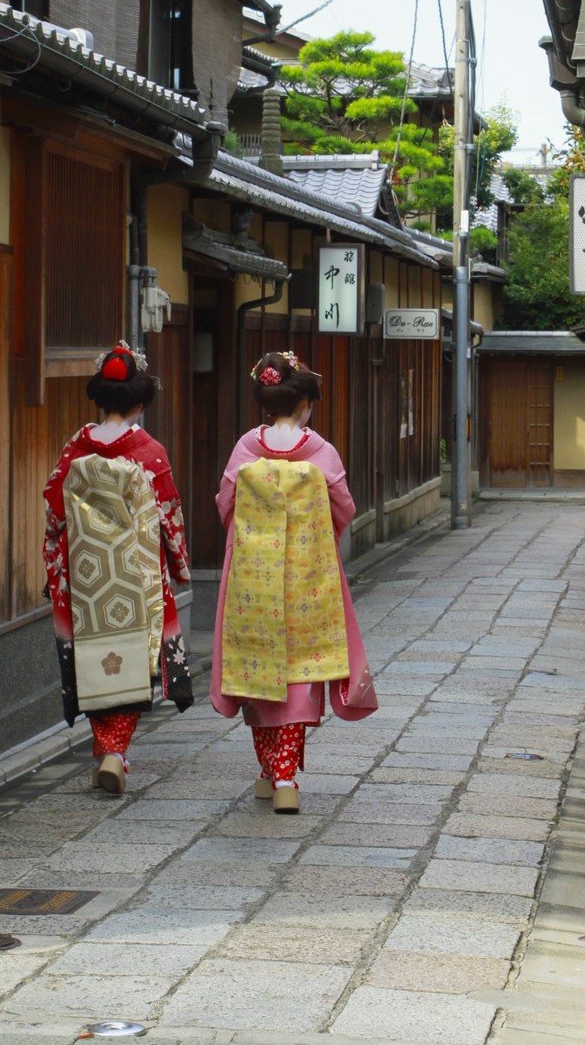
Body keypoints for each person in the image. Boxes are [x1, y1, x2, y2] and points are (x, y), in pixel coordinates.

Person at [211, 349, 377, 813]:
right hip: (308, 574)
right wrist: (317, 535)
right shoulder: (319, 452)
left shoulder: (246, 449)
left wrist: (253, 537)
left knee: (257, 667)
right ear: (304, 402)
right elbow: (343, 507)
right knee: (298, 670)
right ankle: (283, 776)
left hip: (251, 576)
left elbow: (226, 506)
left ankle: (270, 771)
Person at [43, 343, 193, 794]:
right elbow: (168, 512)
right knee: (133, 661)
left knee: (91, 660)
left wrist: (56, 563)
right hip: (135, 576)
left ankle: (106, 750)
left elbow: (54, 512)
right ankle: (114, 752)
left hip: (84, 571)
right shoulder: (149, 451)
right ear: (140, 404)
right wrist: (179, 563)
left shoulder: (75, 448)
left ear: (99, 399)